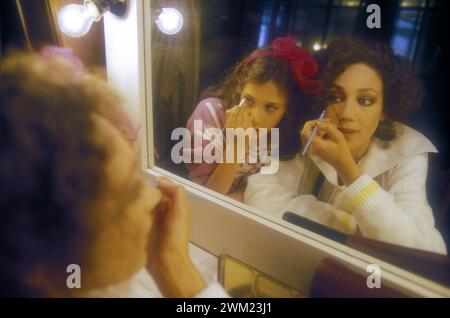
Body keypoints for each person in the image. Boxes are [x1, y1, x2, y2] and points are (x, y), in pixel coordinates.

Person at [0, 51, 228, 297]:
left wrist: (170, 263)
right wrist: (184, 279)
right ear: (42, 253)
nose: (155, 197)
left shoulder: (73, 279)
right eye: (131, 190)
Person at [244, 38, 447, 255]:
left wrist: (350, 173)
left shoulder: (407, 150)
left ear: (384, 109)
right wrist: (354, 228)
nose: (347, 114)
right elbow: (259, 198)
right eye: (336, 97)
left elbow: (427, 251)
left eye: (365, 100)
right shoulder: (312, 131)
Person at [184, 36, 321, 199]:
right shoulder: (210, 114)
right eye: (248, 100)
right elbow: (207, 197)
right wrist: (238, 143)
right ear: (239, 88)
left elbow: (255, 192)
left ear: (288, 109)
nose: (255, 117)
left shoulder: (280, 135)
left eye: (270, 107)